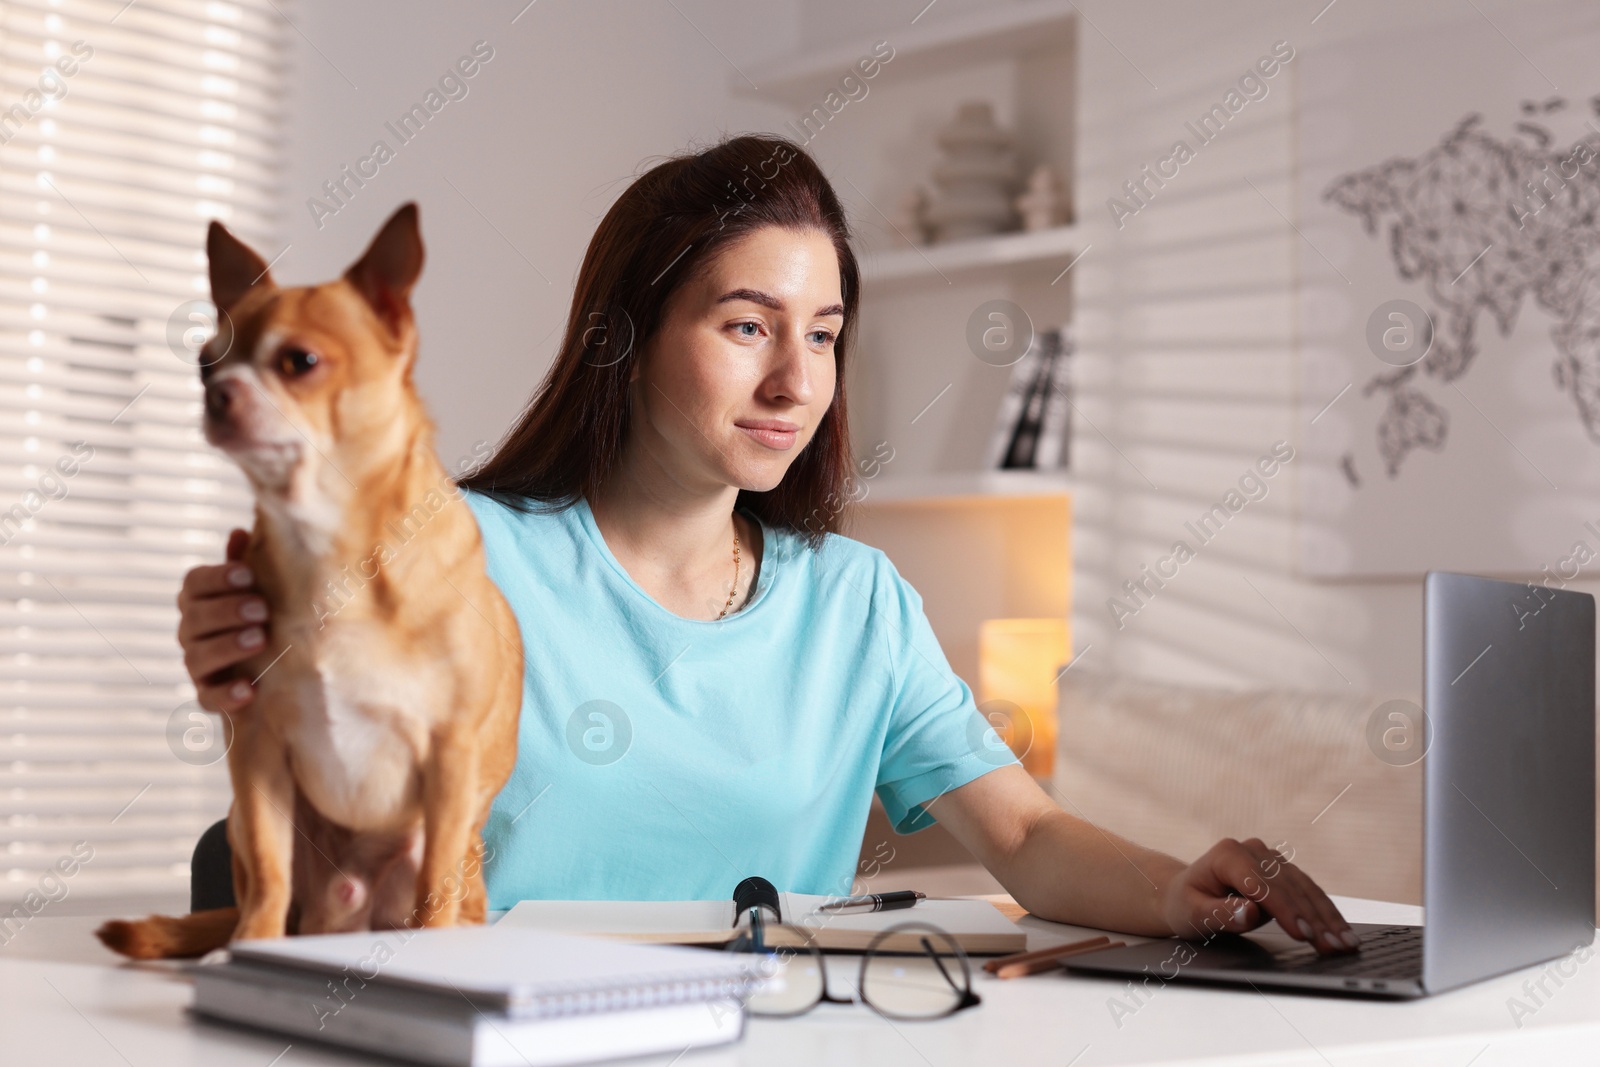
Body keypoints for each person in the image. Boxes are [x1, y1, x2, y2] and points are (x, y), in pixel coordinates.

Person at [175, 135, 1359, 953]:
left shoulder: (856, 602)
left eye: (825, 334)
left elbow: (1028, 836)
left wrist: (1178, 880)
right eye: (746, 325)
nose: (796, 380)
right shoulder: (458, 549)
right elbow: (309, 715)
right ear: (625, 340)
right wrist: (249, 652)